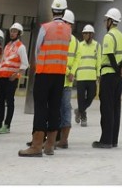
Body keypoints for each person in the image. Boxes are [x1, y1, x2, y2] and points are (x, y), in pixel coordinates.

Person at [19, 0, 71, 157]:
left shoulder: (45, 28)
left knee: (41, 107)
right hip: (59, 74)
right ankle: (49, 145)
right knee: (55, 108)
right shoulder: (69, 30)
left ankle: (36, 145)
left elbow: (37, 50)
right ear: (64, 11)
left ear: (52, 10)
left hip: (44, 73)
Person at [93, 7, 122, 149]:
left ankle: (105, 140)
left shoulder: (109, 36)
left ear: (110, 21)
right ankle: (114, 139)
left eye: (105, 20)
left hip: (109, 74)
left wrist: (117, 68)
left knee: (106, 108)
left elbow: (110, 55)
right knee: (115, 107)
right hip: (118, 78)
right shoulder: (121, 35)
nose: (104, 23)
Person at [0, 22, 28, 134]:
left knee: (9, 102)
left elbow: (25, 64)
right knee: (0, 101)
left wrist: (17, 75)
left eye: (15, 31)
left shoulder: (21, 47)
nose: (12, 33)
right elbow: (3, 61)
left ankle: (7, 125)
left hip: (11, 79)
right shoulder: (7, 46)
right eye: (11, 31)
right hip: (2, 77)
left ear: (19, 33)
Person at [56, 10, 79, 149]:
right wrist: (70, 72)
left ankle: (63, 139)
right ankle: (56, 138)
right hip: (61, 78)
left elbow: (77, 57)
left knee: (64, 109)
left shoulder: (74, 41)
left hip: (64, 80)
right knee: (60, 109)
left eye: (68, 24)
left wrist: (72, 72)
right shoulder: (61, 38)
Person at [74, 24, 99, 127]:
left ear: (91, 34)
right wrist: (73, 73)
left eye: (86, 33)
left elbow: (99, 61)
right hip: (81, 76)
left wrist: (98, 74)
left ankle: (79, 110)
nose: (84, 35)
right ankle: (83, 116)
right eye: (83, 33)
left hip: (92, 76)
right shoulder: (79, 45)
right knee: (80, 98)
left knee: (91, 95)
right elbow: (76, 60)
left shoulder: (97, 45)